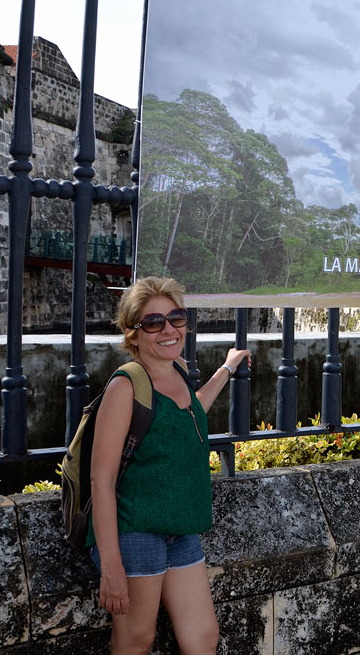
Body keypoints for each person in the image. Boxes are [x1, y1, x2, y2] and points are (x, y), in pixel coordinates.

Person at [89, 276, 250, 654]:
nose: (168, 329)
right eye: (153, 322)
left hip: (180, 529)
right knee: (135, 640)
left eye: (175, 318)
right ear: (133, 334)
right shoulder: (125, 386)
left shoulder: (176, 371)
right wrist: (111, 565)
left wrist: (226, 368)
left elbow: (189, 410)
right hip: (136, 532)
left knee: (202, 637)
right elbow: (102, 479)